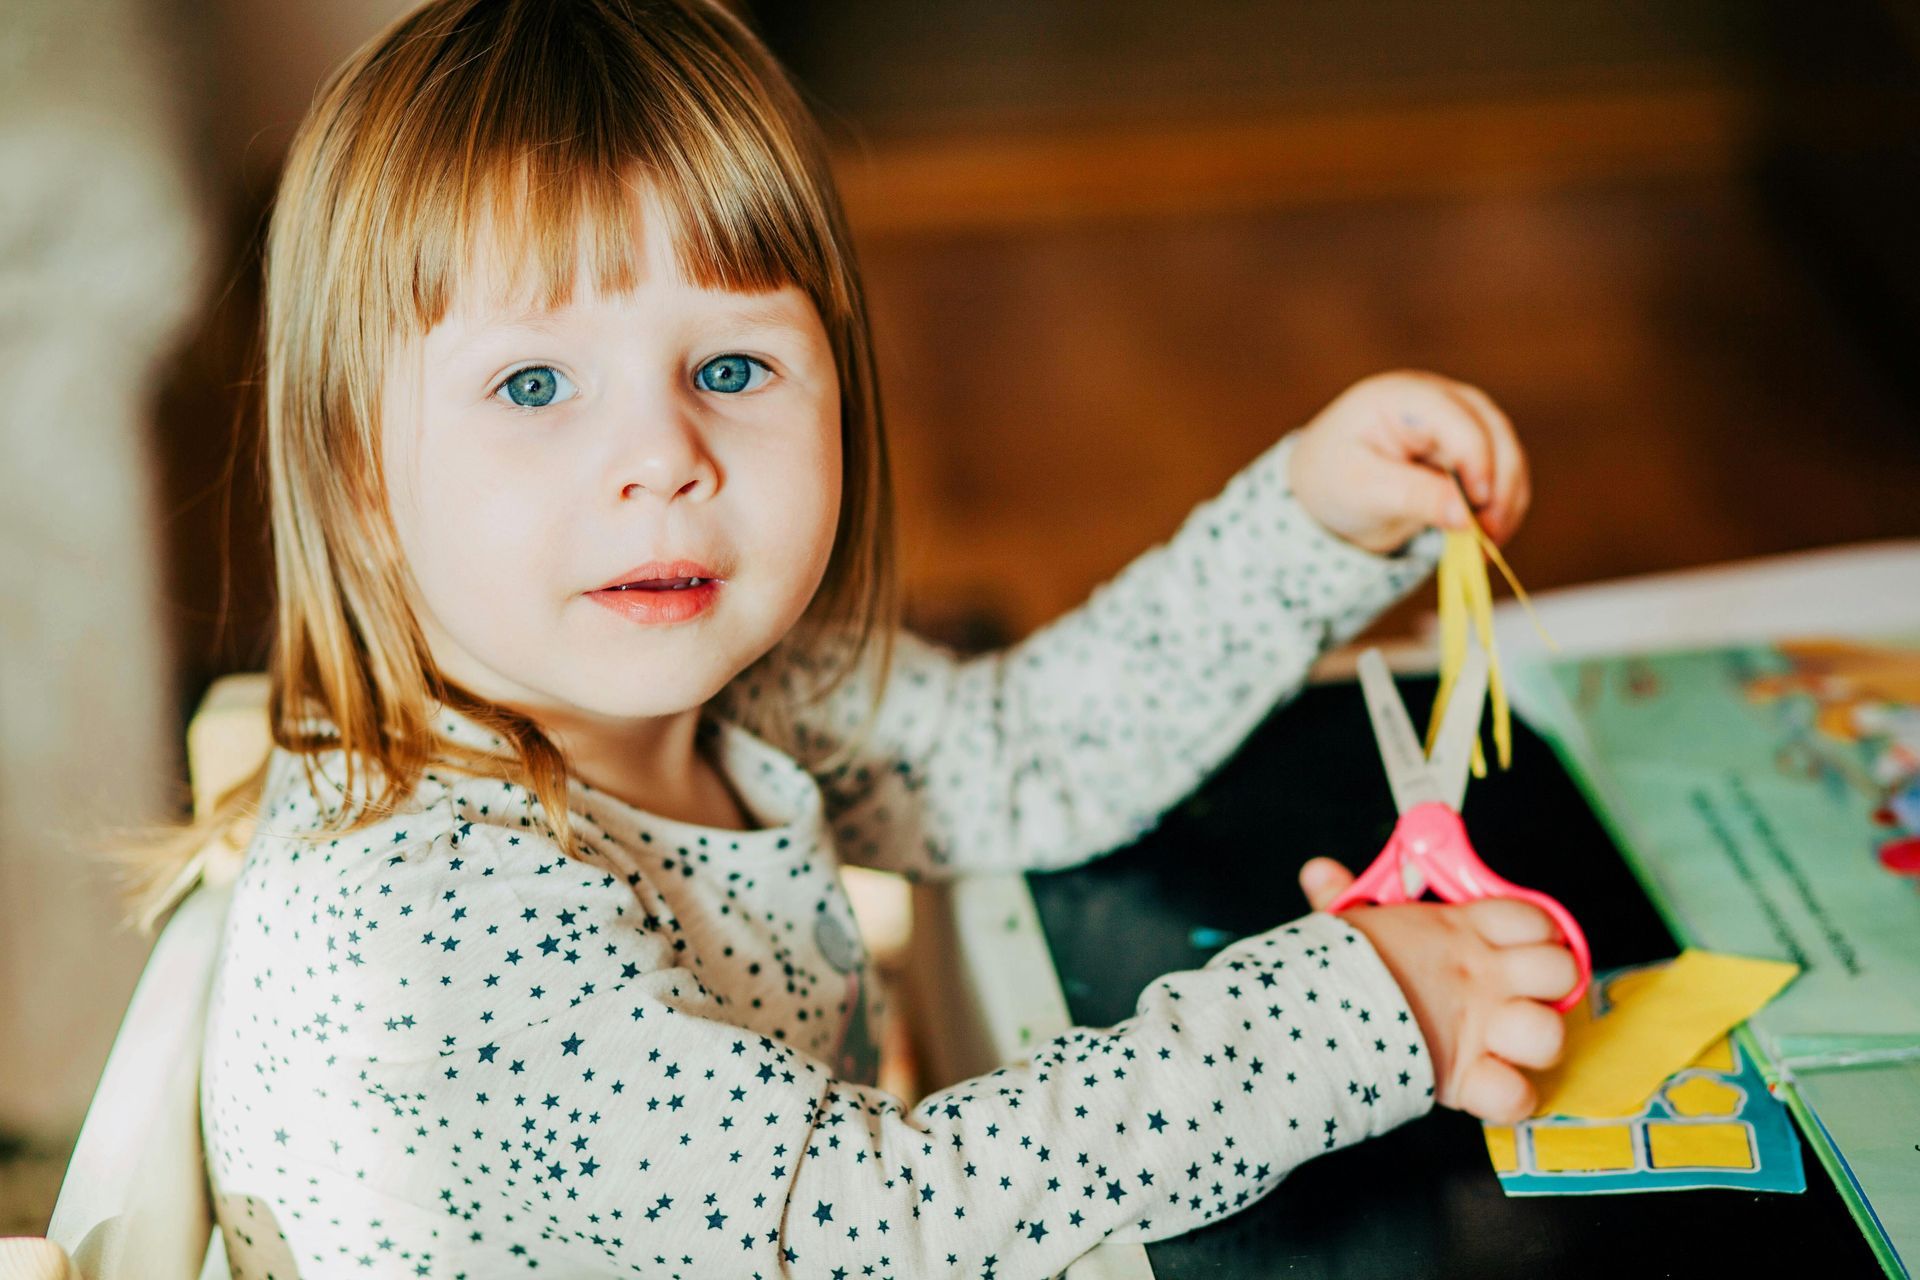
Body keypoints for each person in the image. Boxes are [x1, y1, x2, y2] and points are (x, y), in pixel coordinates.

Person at [138, 1, 1577, 1274]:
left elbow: (1028, 752)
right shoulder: (432, 927)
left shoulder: (745, 685)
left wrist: (1312, 518)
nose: (663, 455)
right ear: (356, 478)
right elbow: (876, 1231)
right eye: (532, 386)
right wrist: (1344, 1018)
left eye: (730, 365)